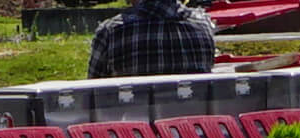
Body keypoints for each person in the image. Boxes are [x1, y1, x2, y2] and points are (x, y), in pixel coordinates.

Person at [87, 0, 217, 79]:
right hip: (190, 122)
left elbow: (93, 93)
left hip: (132, 121)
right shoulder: (204, 24)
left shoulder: (111, 31)